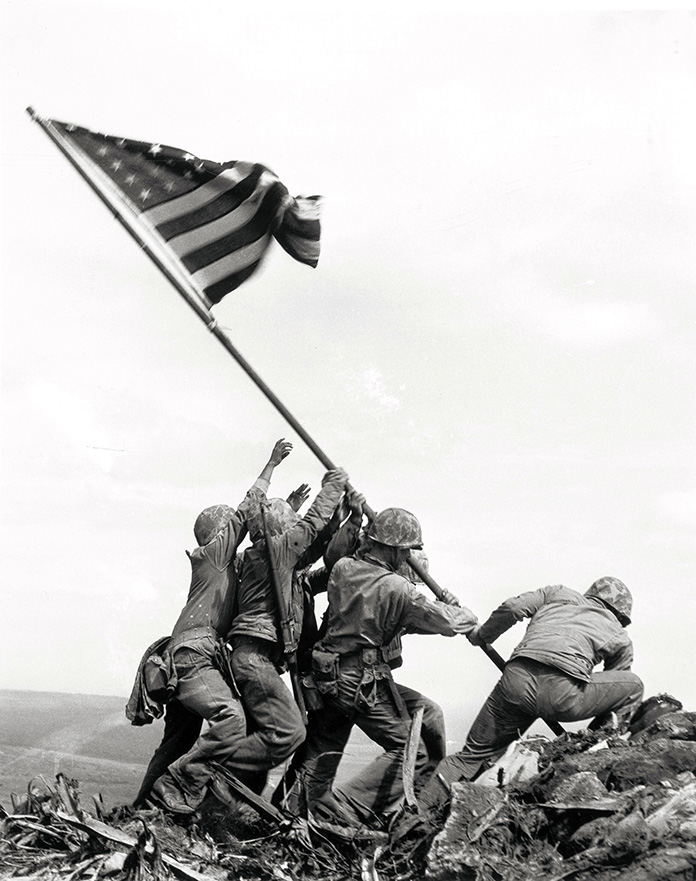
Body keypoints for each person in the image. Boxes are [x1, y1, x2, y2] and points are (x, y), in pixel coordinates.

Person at [132, 483, 312, 808]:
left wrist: (288, 507)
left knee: (177, 743)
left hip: (199, 659)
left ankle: (143, 808)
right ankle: (181, 788)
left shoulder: (233, 566)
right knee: (233, 720)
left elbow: (269, 543)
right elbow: (250, 520)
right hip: (193, 657)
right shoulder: (210, 559)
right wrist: (270, 468)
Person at [414, 576, 644, 820]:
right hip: (563, 696)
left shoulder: (558, 593)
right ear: (620, 614)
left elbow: (513, 608)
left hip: (515, 683)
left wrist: (483, 636)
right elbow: (613, 692)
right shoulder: (620, 635)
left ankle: (416, 814)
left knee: (470, 756)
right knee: (633, 686)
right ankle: (596, 749)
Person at [306, 507, 478, 828]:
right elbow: (450, 622)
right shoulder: (397, 589)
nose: (409, 557)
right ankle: (346, 809)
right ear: (397, 549)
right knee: (410, 752)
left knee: (322, 754)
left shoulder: (344, 569)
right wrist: (460, 610)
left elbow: (393, 616)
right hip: (361, 682)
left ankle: (304, 809)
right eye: (407, 551)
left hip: (327, 676)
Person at [273, 546, 450, 817]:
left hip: (357, 682)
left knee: (430, 715)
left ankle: (424, 796)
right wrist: (452, 614)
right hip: (353, 684)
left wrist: (444, 610)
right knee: (327, 753)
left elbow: (425, 622)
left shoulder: (391, 596)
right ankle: (323, 810)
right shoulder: (375, 593)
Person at [209, 466, 351, 798]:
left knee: (268, 740)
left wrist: (342, 519)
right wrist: (332, 487)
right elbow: (310, 527)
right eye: (288, 524)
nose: (293, 528)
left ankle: (228, 797)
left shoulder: (267, 560)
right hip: (254, 658)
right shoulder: (275, 553)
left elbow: (313, 560)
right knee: (289, 732)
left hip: (254, 659)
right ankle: (212, 768)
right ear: (278, 530)